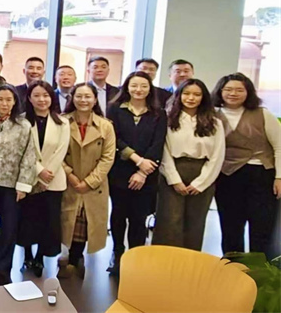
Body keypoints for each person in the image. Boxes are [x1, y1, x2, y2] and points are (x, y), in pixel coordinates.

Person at [212, 73, 281, 260]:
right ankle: (233, 267)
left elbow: (279, 146)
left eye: (239, 90)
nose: (233, 93)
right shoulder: (212, 115)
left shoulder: (262, 114)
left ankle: (260, 270)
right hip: (227, 175)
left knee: (261, 226)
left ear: (248, 92)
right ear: (220, 92)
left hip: (260, 174)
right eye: (228, 89)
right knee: (230, 225)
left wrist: (279, 177)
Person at [106, 72, 167, 275]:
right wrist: (137, 159)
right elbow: (114, 138)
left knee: (139, 218)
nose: (138, 90)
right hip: (119, 171)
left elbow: (158, 143)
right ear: (127, 87)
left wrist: (142, 171)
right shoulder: (115, 109)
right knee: (118, 215)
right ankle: (117, 253)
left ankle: (136, 257)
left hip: (147, 174)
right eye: (134, 85)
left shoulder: (159, 113)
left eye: (143, 86)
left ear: (150, 88)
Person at [153, 79, 224, 250]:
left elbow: (218, 155)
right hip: (172, 171)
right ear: (179, 95)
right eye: (186, 93)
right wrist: (174, 179)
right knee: (169, 221)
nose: (191, 98)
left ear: (203, 97)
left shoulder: (215, 122)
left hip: (203, 173)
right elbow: (163, 150)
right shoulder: (167, 118)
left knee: (195, 222)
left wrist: (201, 182)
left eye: (197, 94)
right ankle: (166, 261)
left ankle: (190, 262)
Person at [59, 83, 116, 280]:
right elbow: (55, 152)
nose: (83, 100)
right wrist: (70, 175)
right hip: (68, 181)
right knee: (68, 221)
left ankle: (75, 260)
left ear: (95, 100)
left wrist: (90, 181)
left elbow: (108, 157)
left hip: (94, 185)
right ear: (72, 98)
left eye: (88, 96)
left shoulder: (106, 126)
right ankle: (66, 257)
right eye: (79, 96)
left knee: (85, 222)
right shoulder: (62, 122)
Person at [0, 85, 36, 286]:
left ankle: (3, 268)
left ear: (14, 102)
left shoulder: (23, 125)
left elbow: (29, 156)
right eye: (0, 99)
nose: (4, 103)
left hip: (13, 186)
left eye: (8, 100)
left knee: (8, 227)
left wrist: (23, 185)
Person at [18, 81, 69, 278]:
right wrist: (39, 171)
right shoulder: (22, 121)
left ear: (52, 97)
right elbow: (22, 150)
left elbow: (61, 150)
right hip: (28, 178)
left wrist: (47, 174)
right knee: (27, 219)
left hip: (53, 180)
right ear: (29, 98)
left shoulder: (62, 122)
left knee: (47, 221)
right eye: (37, 95)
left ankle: (40, 257)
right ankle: (27, 256)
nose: (42, 99)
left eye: (46, 95)